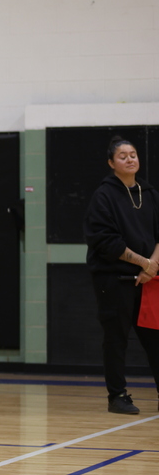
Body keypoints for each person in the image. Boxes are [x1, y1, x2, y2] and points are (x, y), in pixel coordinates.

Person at [84, 135, 159, 414]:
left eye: (133, 154)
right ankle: (117, 395)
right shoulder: (104, 196)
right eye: (123, 156)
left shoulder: (149, 194)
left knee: (155, 338)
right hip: (114, 280)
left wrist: (152, 266)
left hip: (148, 280)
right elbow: (106, 242)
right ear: (111, 163)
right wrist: (144, 263)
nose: (130, 159)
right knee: (116, 339)